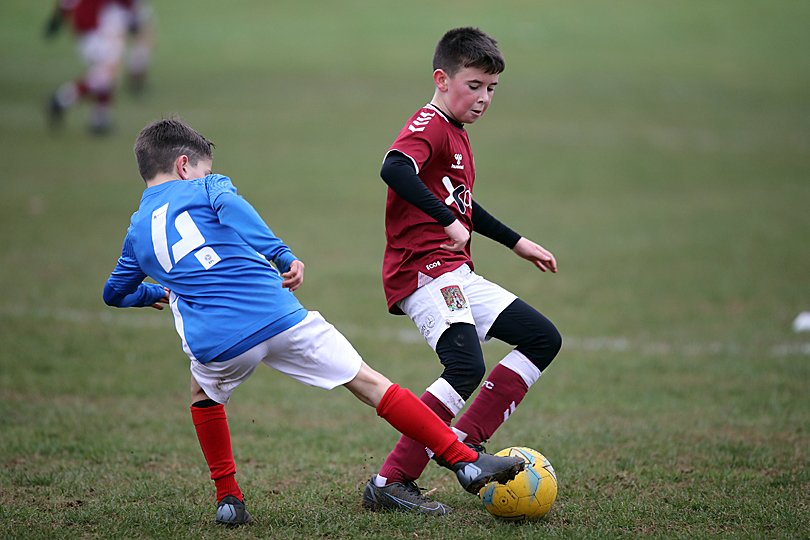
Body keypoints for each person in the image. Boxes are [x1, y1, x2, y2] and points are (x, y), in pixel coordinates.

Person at [102, 117, 526, 525]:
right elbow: (233, 207)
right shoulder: (208, 187)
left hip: (219, 342)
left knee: (204, 395)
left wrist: (154, 293)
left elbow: (114, 293)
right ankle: (463, 460)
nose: (207, 175)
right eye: (204, 169)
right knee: (368, 382)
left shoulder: (136, 232)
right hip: (279, 315)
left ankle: (228, 498)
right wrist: (282, 254)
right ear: (184, 165)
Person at [363, 27, 563, 515]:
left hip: (454, 272)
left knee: (542, 338)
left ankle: (463, 441)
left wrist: (516, 242)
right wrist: (447, 219)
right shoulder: (429, 124)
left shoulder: (456, 133)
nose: (483, 98)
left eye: (492, 88)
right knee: (466, 366)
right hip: (424, 270)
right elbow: (393, 168)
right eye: (474, 85)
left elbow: (464, 206)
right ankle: (390, 480)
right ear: (442, 79)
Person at [44, 0, 154, 134]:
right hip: (97, 30)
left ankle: (100, 118)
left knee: (105, 72)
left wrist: (56, 19)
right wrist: (135, 19)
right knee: (107, 73)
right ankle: (61, 100)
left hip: (86, 30)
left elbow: (66, 4)